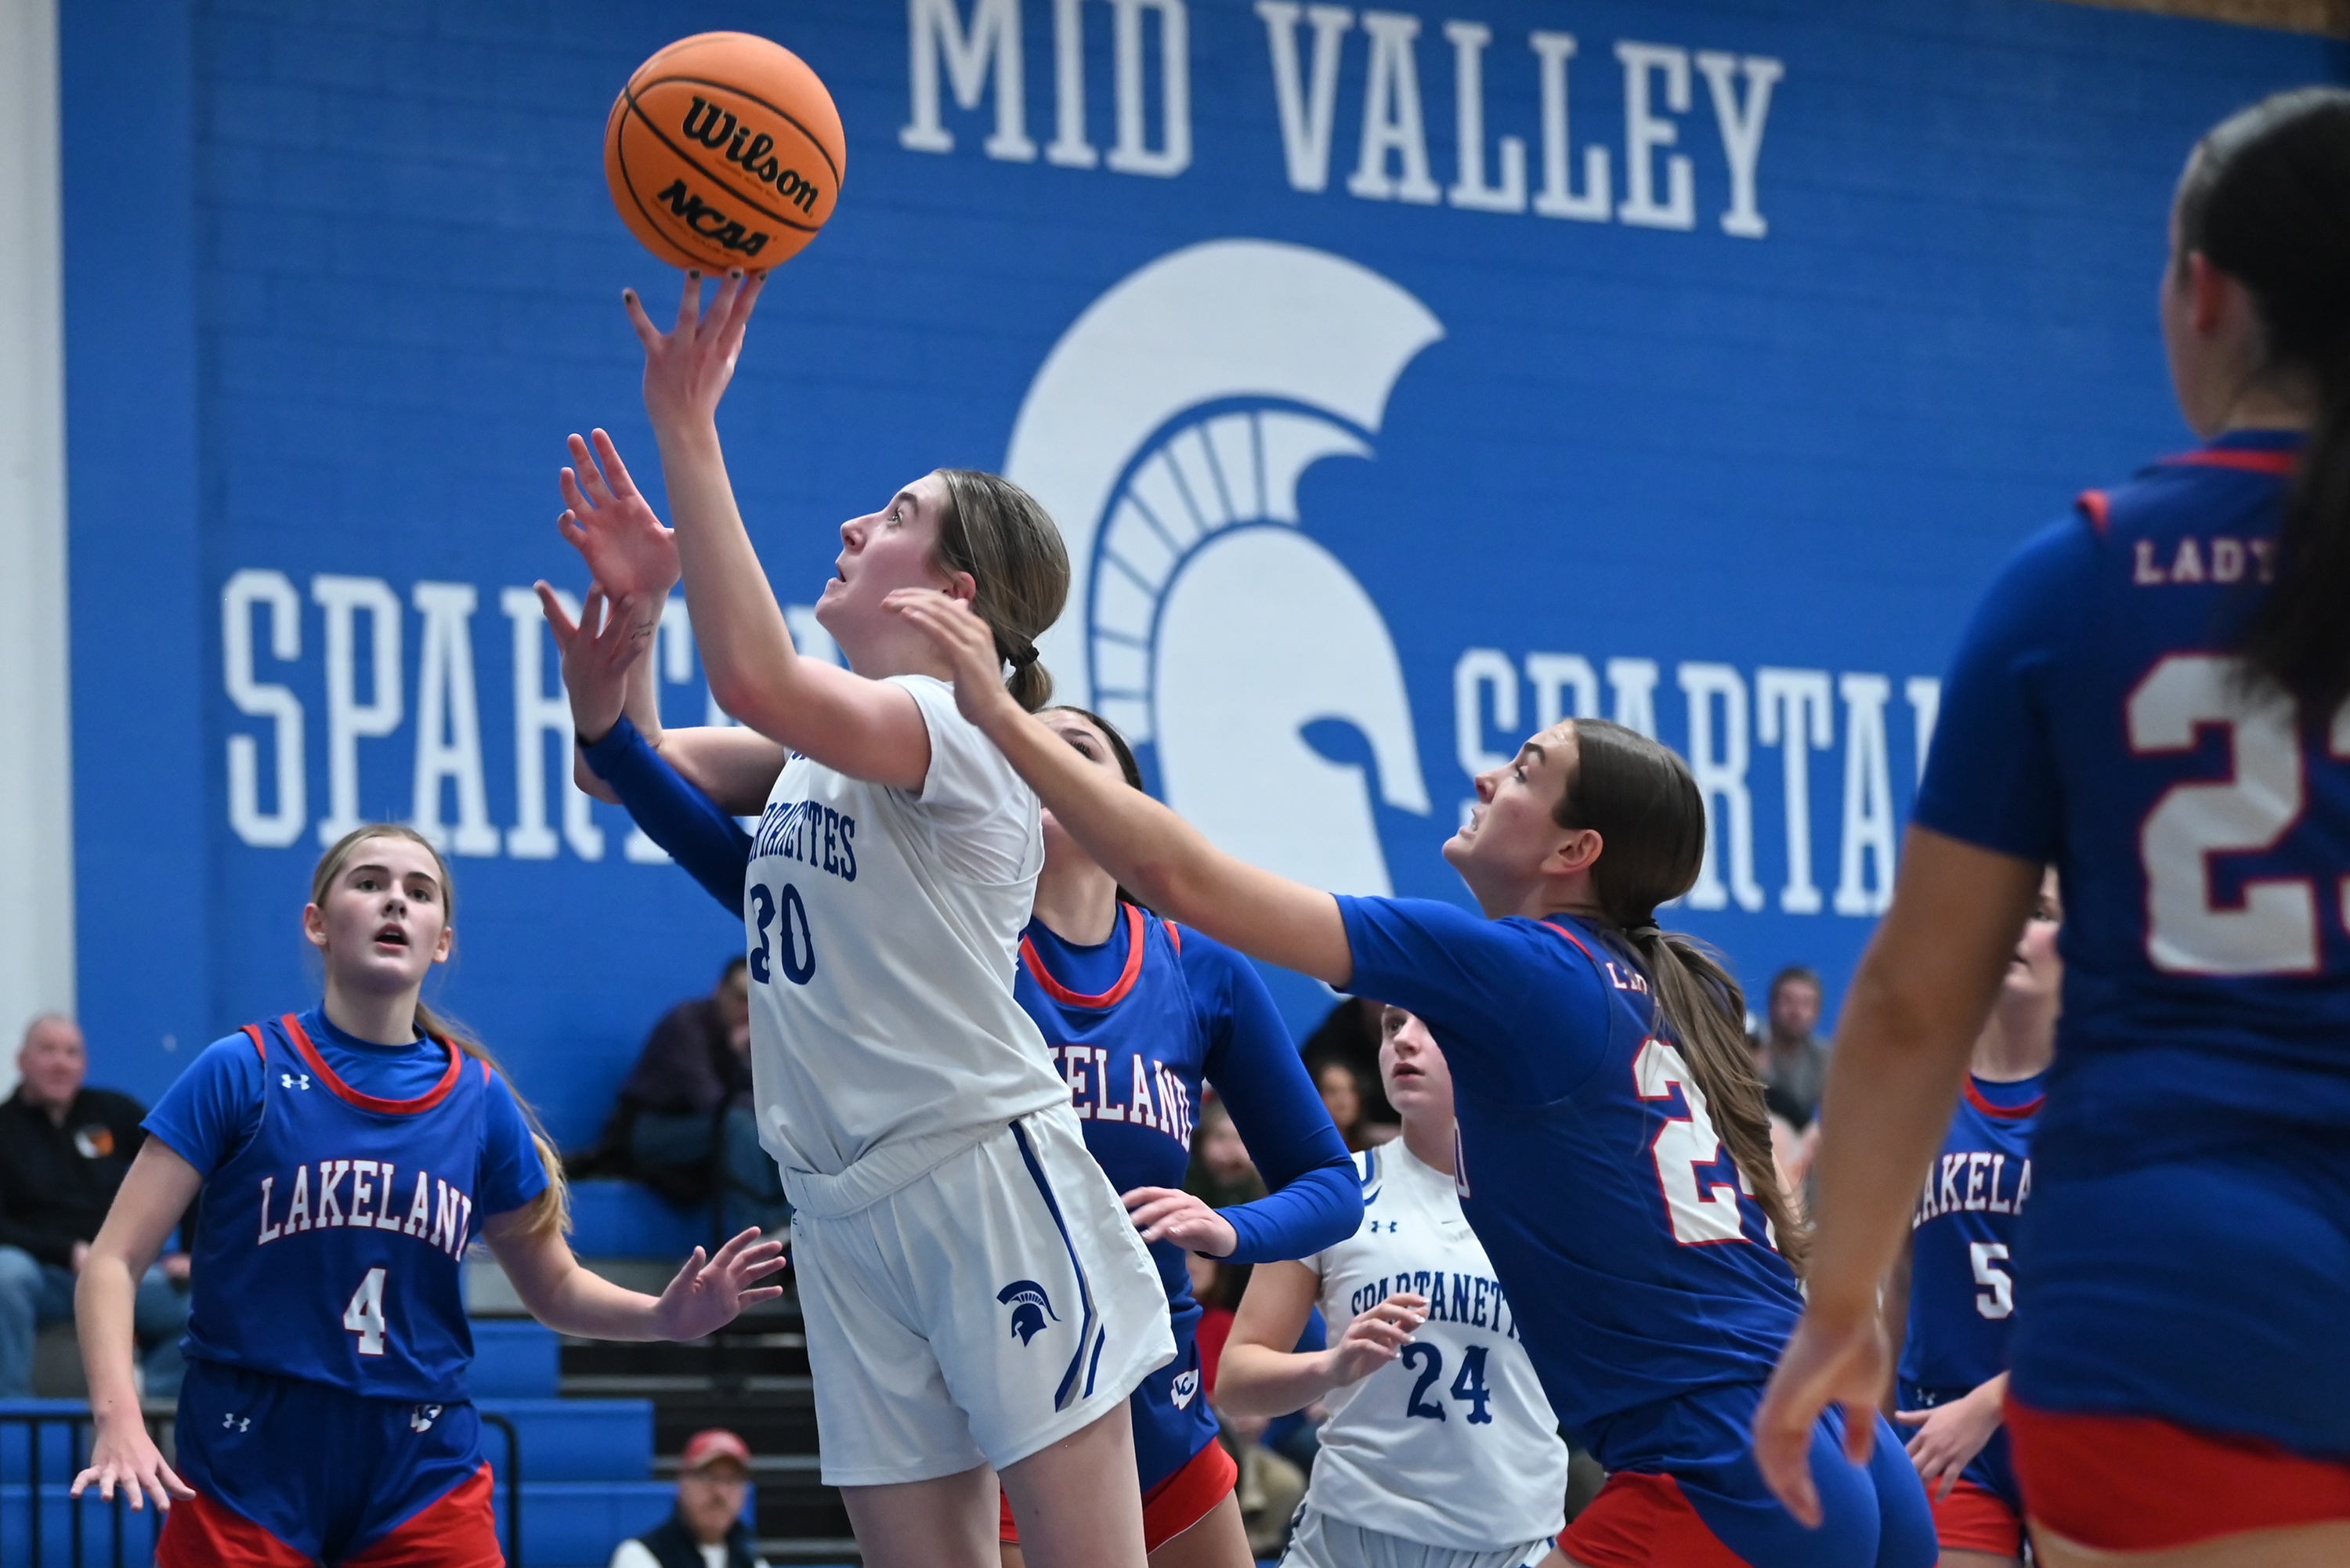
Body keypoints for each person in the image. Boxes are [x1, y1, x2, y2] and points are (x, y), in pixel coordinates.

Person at [890, 582, 1937, 1568]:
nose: (1487, 775)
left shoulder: (1518, 967)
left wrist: (999, 714)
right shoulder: (1660, 989)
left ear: (1576, 847)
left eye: (1524, 769)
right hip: (1845, 1448)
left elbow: (1182, 878)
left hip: (1723, 1461)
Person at [1753, 88, 2350, 1568]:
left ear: (2200, 291)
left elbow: (1906, 1001)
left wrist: (1841, 1318)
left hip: (2176, 1304)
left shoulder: (2078, 578)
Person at [541, 269, 1173, 1568]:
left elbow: (756, 674)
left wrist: (689, 427)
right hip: (835, 1204)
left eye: (893, 514)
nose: (848, 523)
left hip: (978, 1175)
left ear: (962, 595)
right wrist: (638, 621)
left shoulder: (968, 721)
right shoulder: (822, 751)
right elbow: (620, 766)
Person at [543, 597, 1360, 1568]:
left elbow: (1330, 1183)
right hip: (998, 1354)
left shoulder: (1201, 971)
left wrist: (1230, 1227)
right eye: (1031, 749)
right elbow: (745, 860)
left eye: (1080, 755)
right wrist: (619, 714)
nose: (1048, 768)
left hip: (1154, 1364)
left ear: (1127, 810)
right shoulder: (927, 924)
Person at [69, 826, 785, 1565]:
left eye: (419, 893)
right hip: (248, 1449)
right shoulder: (242, 1069)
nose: (395, 903)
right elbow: (113, 1262)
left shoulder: (478, 1100)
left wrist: (665, 1318)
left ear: (441, 940)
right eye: (369, 883)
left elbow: (556, 1287)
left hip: (418, 1463)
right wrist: (118, 1414)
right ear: (317, 922)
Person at [1220, 1006, 1572, 1568]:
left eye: (1431, 1023)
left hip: (1509, 1544)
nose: (1404, 1040)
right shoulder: (1333, 1193)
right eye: (1392, 1025)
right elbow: (1236, 1382)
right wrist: (1330, 1368)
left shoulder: (1563, 1208)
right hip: (1349, 1540)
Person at [1879, 873, 2058, 1568]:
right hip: (1939, 1423)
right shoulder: (1918, 1087)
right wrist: (1872, 1416)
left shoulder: (2109, 1094)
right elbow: (1900, 1276)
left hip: (2074, 1418)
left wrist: (1988, 1406)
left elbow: (2132, 1312)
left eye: (2039, 912)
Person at [0, 1016, 191, 1398]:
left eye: (71, 1052)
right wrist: (68, 1252)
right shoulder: (5, 1127)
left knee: (201, 1306)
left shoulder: (111, 1111)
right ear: (22, 1061)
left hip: (118, 1271)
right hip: (41, 1274)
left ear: (84, 1064)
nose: (61, 1062)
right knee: (6, 1275)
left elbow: (186, 1164)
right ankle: (13, 1419)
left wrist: (192, 1249)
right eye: (48, 1050)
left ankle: (140, 1402)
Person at [606, 956, 788, 1239]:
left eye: (756, 1000)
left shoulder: (760, 1032)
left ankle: (789, 1224)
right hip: (651, 1130)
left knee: (772, 1125)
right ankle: (762, 1230)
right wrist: (741, 1061)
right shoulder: (686, 1024)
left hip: (708, 1128)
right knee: (738, 1124)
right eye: (740, 998)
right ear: (719, 991)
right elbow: (711, 1101)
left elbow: (774, 1101)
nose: (747, 1009)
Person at [610, 1428, 770, 1568]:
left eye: (731, 1480)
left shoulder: (752, 1562)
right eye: (708, 1477)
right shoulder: (639, 1555)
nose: (719, 1491)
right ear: (682, 1484)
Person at [1748, 969, 1828, 1127]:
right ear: (1772, 1005)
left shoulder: (1823, 1057)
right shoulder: (1752, 1041)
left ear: (1817, 1013)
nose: (1796, 1011)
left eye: (1806, 1004)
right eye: (1789, 1001)